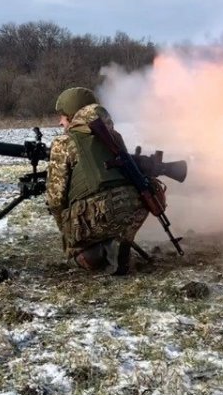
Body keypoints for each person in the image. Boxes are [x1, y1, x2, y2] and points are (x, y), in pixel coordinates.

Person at [45, 87, 149, 275]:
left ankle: (93, 257)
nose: (60, 122)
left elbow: (55, 199)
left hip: (96, 217)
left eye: (62, 116)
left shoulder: (63, 143)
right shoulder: (114, 136)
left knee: (82, 252)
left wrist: (68, 233)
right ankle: (119, 245)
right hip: (131, 212)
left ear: (72, 114)